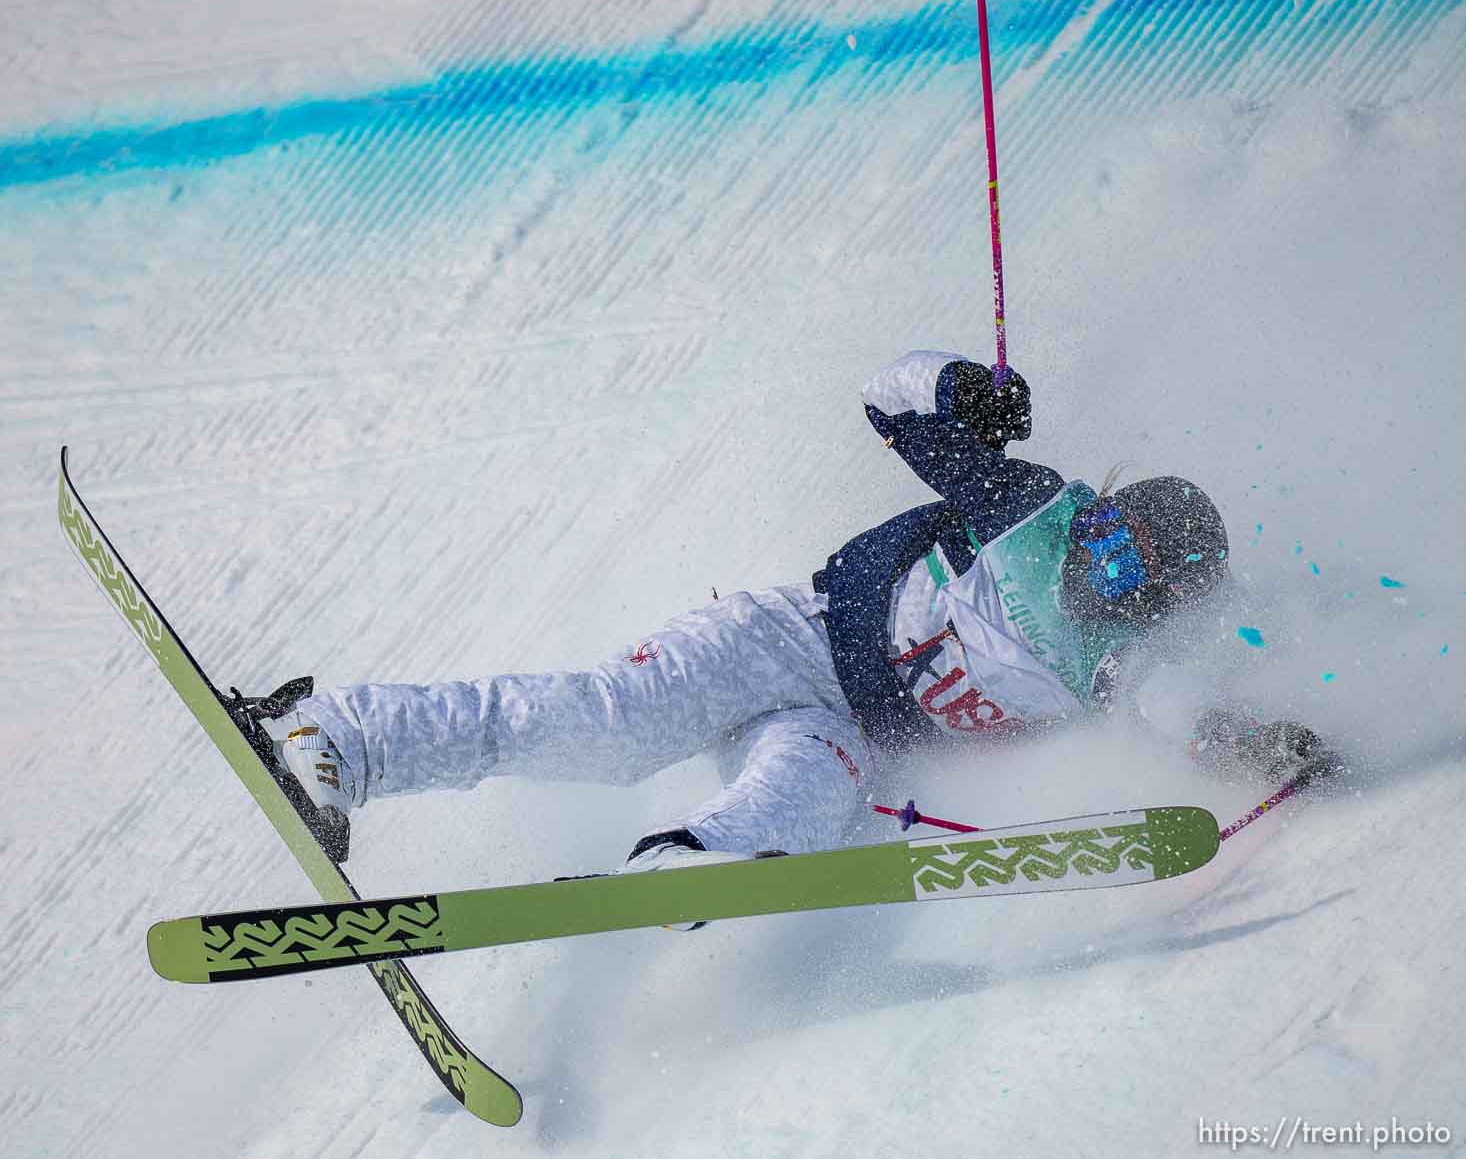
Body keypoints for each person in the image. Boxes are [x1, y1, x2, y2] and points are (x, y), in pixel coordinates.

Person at [250, 350, 1337, 883]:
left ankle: (683, 869)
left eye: (1128, 564)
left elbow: (1181, 707)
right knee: (615, 722)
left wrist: (1266, 744)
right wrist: (966, 389)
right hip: (793, 635)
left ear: (1150, 598)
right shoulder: (1028, 507)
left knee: (808, 806)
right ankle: (334, 736)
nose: (1099, 553)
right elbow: (889, 395)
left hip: (853, 725)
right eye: (1110, 525)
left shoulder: (1115, 661)